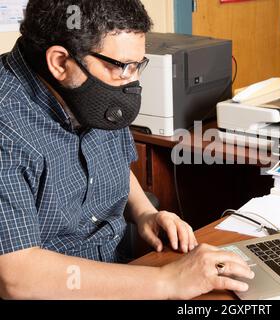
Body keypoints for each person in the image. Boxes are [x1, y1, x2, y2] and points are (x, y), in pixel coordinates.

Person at [0, 0, 253, 300]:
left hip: (121, 273)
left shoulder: (91, 93)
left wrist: (145, 212)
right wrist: (166, 282)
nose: (132, 82)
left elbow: (115, 162)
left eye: (138, 65)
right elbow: (16, 277)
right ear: (60, 63)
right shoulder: (7, 124)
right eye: (122, 67)